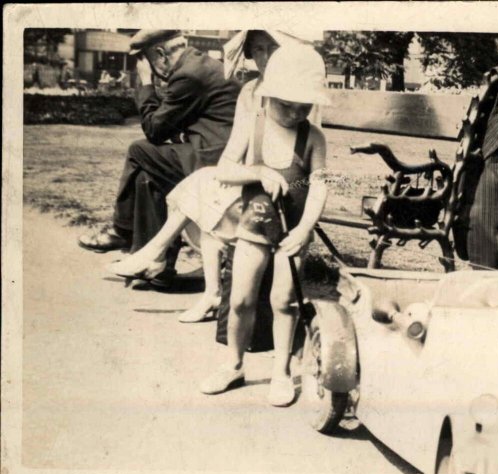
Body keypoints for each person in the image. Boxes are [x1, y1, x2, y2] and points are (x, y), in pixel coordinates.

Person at [105, 30, 310, 322]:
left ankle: (156, 253)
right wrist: (252, 172)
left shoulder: (298, 94)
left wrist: (262, 174)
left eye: (271, 49)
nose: (264, 58)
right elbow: (233, 157)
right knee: (201, 185)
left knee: (196, 183)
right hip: (251, 179)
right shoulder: (251, 91)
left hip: (285, 187)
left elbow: (306, 165)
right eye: (258, 50)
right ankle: (201, 287)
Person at [197, 44, 330, 406]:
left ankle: (281, 371)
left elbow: (318, 187)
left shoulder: (313, 138)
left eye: (304, 108)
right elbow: (224, 169)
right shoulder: (253, 127)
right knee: (240, 299)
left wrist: (304, 230)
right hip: (252, 230)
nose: (295, 113)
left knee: (283, 301)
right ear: (269, 96)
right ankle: (233, 364)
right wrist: (257, 171)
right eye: (287, 105)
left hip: (293, 235)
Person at [78, 30, 241, 288]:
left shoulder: (190, 75)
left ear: (161, 54)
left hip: (216, 160)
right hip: (214, 151)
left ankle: (122, 232)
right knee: (146, 175)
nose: (150, 69)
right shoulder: (197, 66)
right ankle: (155, 268)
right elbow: (169, 121)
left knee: (138, 151)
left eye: (146, 62)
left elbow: (154, 130)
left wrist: (145, 83)